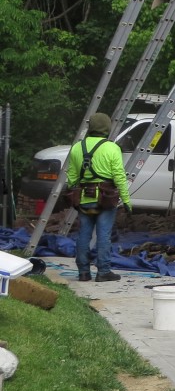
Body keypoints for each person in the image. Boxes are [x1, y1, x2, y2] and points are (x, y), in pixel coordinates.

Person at [66, 112, 131, 283]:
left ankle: (83, 272)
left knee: (83, 235)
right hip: (105, 198)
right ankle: (103, 271)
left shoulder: (77, 148)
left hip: (83, 199)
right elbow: (119, 177)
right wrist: (126, 201)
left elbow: (72, 178)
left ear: (90, 128)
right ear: (107, 129)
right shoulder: (112, 148)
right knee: (104, 236)